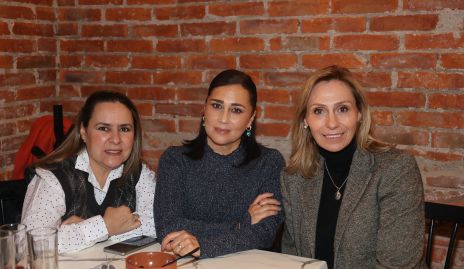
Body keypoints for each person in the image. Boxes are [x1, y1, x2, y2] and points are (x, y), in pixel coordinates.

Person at [281, 66, 424, 268]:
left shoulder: (395, 169)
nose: (332, 123)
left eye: (342, 109)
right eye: (319, 111)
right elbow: (291, 259)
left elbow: (397, 264)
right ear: (306, 120)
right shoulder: (294, 177)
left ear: (359, 113)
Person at [154, 69, 284, 258]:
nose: (223, 118)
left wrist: (202, 246)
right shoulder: (175, 160)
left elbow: (264, 234)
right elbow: (168, 227)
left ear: (251, 118)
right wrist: (241, 224)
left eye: (236, 110)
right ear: (204, 108)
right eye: (216, 105)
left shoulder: (269, 163)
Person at [21, 91, 156, 253]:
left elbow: (159, 222)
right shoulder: (53, 177)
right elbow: (31, 243)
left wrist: (97, 228)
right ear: (83, 132)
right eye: (104, 128)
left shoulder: (139, 173)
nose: (116, 139)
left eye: (125, 129)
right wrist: (106, 225)